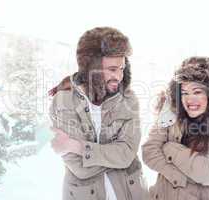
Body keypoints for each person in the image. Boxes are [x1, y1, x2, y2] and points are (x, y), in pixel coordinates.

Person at [48, 27, 148, 200]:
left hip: (132, 193)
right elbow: (80, 167)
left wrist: (77, 146)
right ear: (90, 68)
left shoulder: (129, 99)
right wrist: (115, 155)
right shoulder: (63, 101)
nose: (119, 76)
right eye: (112, 69)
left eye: (122, 68)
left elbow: (126, 155)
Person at [142, 56, 209, 200]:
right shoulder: (170, 112)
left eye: (197, 92)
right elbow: (149, 151)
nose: (190, 100)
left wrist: (169, 148)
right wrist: (177, 177)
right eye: (184, 93)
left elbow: (208, 173)